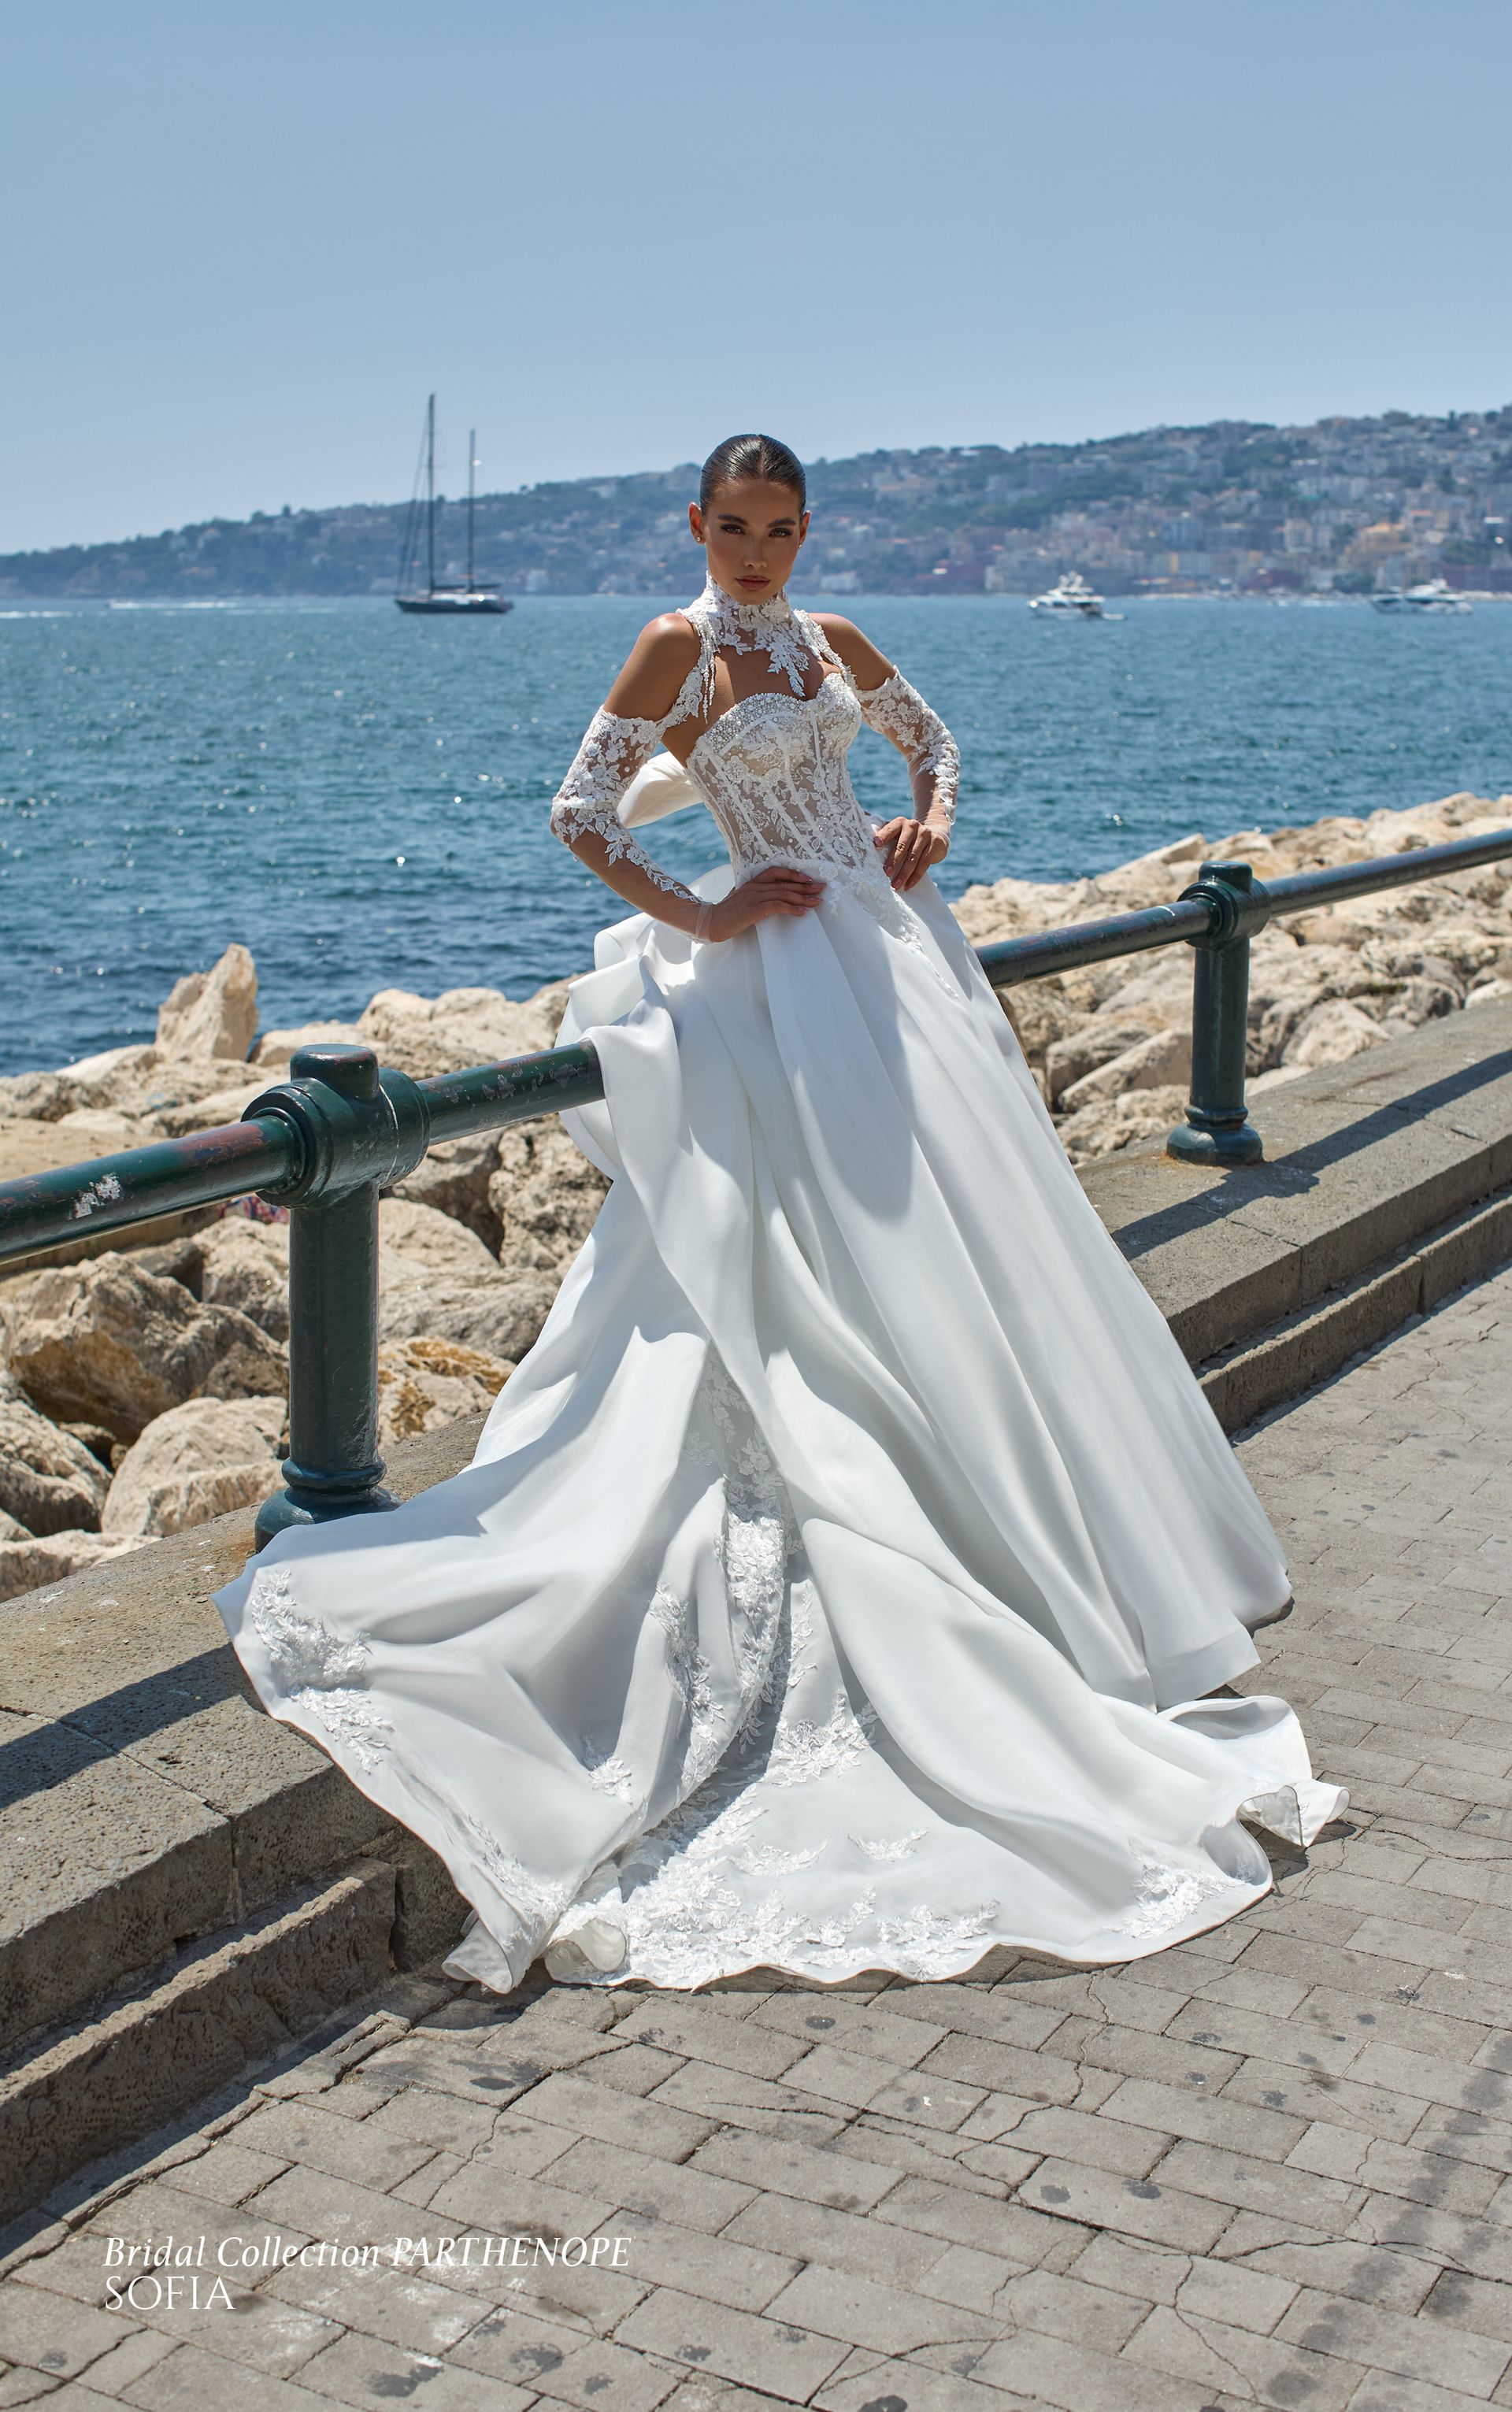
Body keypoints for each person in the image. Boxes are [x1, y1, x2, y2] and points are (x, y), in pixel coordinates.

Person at [213, 432, 1343, 1998]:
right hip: (776, 982)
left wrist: (924, 826)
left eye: (782, 527)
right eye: (735, 526)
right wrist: (707, 910)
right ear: (696, 525)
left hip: (887, 962)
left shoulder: (823, 641)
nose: (759, 551)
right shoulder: (679, 639)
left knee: (950, 1267)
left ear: (807, 530)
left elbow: (931, 742)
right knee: (801, 1280)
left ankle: (1024, 1555)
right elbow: (582, 811)